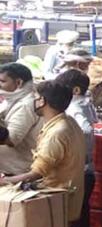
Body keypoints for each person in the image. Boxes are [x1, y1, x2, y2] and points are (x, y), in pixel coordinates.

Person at [1, 80, 85, 211]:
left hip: (56, 202)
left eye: (34, 98)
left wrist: (5, 181)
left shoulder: (57, 133)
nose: (32, 102)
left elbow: (36, 174)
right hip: (66, 198)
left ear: (42, 101)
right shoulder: (69, 122)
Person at [56, 70, 98, 227]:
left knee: (76, 222)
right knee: (81, 220)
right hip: (88, 169)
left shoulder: (74, 108)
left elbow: (87, 131)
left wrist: (77, 149)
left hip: (80, 171)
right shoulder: (86, 104)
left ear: (75, 90)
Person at [0, 63, 41, 175]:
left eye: (2, 81)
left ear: (19, 83)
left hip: (24, 160)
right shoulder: (18, 98)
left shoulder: (26, 104)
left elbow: (11, 139)